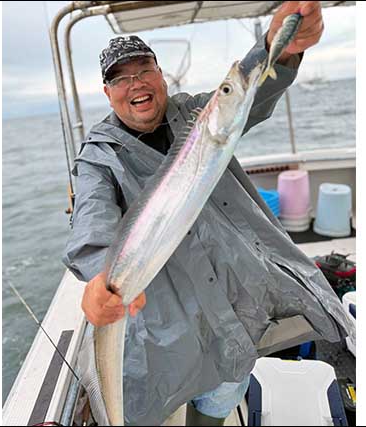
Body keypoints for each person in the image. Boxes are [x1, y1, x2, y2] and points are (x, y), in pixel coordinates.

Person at [62, 2, 340, 425]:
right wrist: (101, 275)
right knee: (159, 394)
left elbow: (251, 95)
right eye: (121, 77)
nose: (135, 82)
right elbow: (91, 219)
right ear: (107, 92)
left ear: (160, 74)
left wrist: (277, 50)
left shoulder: (197, 114)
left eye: (143, 70)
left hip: (237, 303)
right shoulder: (100, 158)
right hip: (168, 323)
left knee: (224, 389)